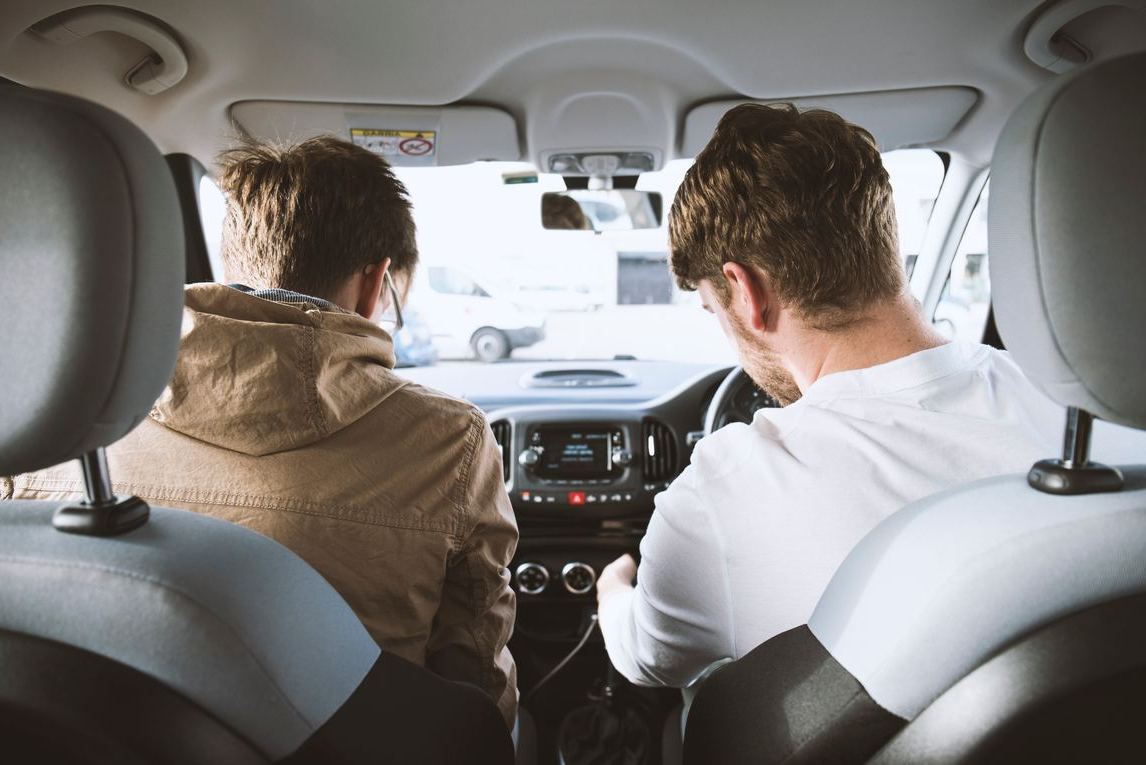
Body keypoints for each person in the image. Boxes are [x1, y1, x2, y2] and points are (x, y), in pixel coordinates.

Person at [3, 136, 519, 728]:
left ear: (233, 268)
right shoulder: (451, 440)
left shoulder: (54, 419)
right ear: (376, 283)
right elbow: (474, 667)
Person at [594, 104, 1062, 691]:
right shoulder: (1087, 416)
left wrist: (612, 590)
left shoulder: (722, 493)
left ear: (745, 292)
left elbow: (649, 661)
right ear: (882, 247)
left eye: (714, 311)